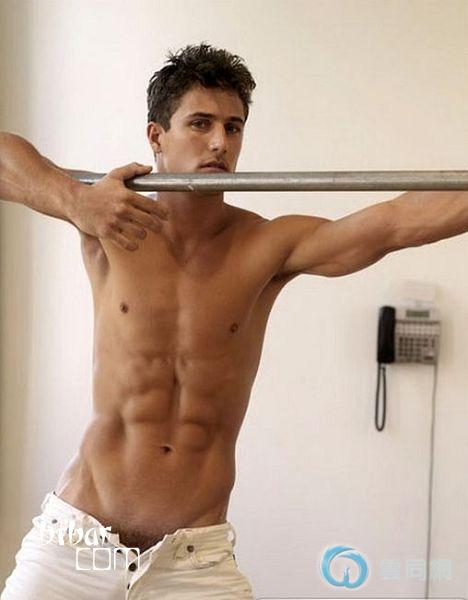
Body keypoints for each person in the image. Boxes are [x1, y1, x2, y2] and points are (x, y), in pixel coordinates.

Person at [0, 43, 467, 600]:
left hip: (193, 562)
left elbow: (393, 223)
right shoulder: (110, 221)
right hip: (76, 544)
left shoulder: (267, 245)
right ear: (156, 137)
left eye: (233, 127)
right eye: (200, 124)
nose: (220, 142)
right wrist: (75, 201)